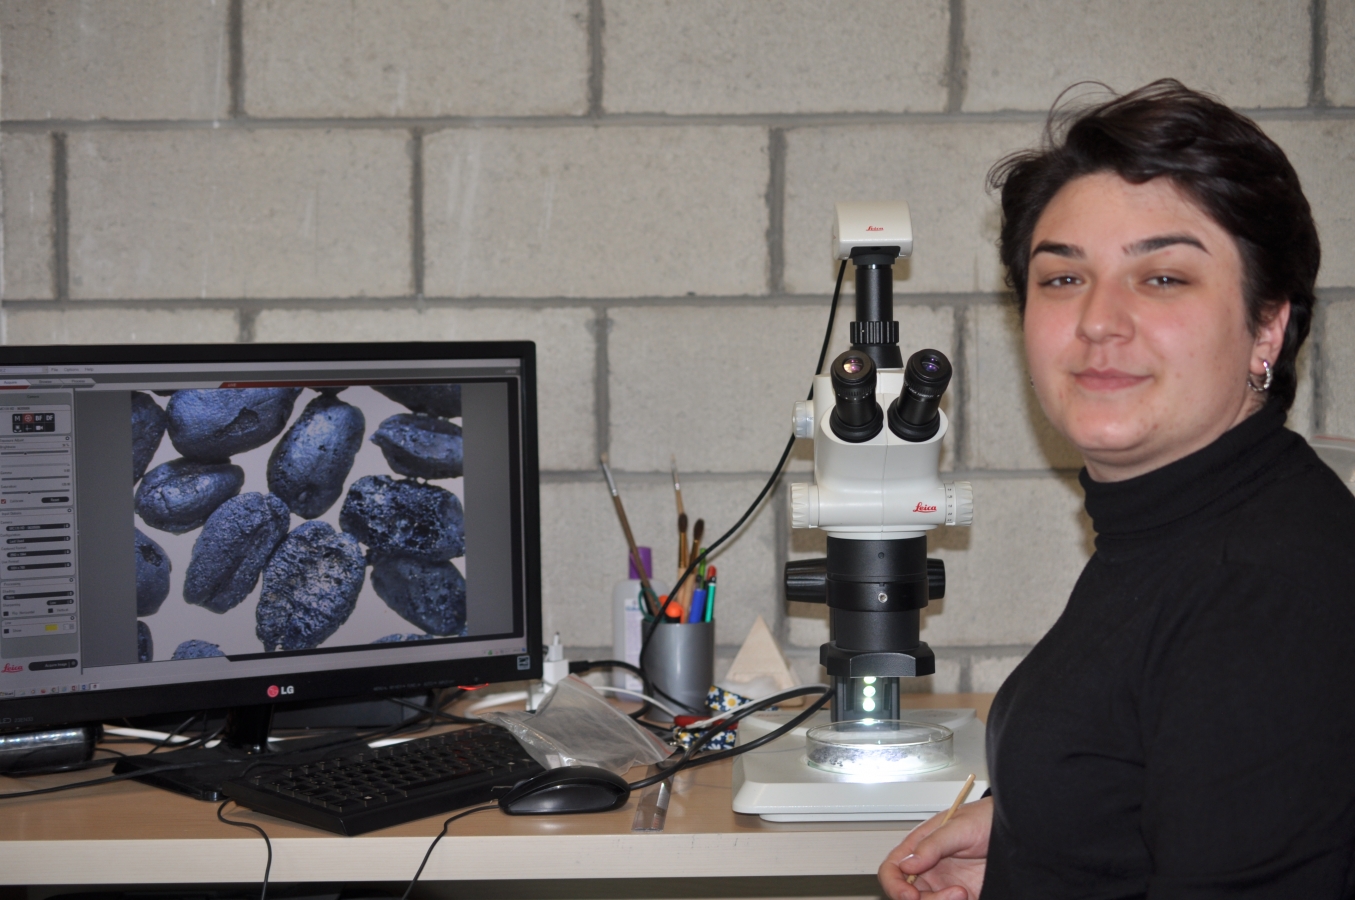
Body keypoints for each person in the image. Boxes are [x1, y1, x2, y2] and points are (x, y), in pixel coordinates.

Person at [878, 80, 1355, 899]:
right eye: (1062, 279)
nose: (1098, 320)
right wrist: (1044, 835)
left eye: (1162, 278)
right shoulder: (1174, 528)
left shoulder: (1259, 589)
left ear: (1266, 325)